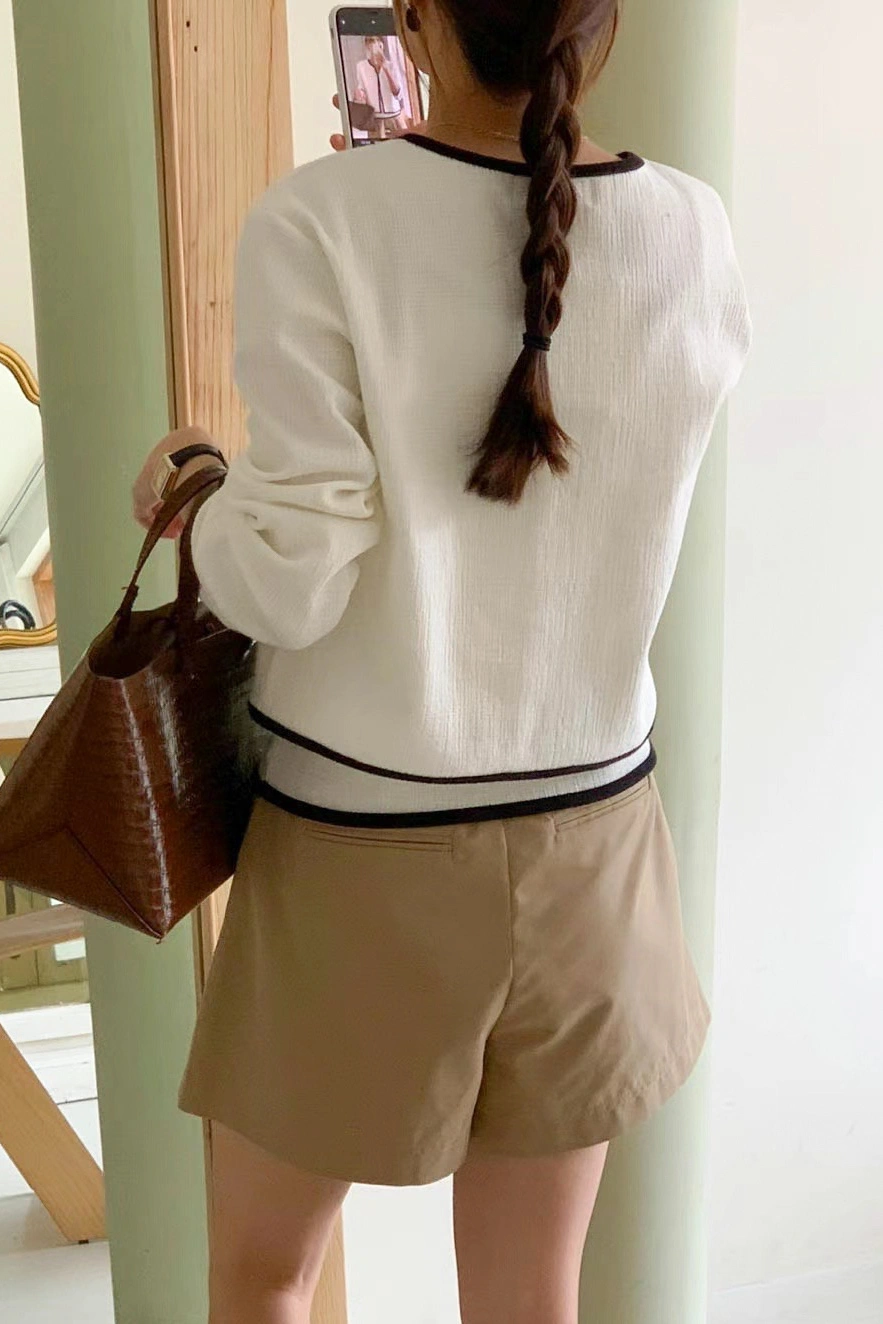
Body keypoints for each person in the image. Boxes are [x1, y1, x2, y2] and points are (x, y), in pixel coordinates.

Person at [132, 1, 751, 1320]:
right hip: (594, 840)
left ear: (414, 22)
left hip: (363, 852)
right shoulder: (693, 226)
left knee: (264, 1275)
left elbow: (287, 583)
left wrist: (195, 493)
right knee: (531, 1292)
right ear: (599, 25)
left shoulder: (321, 221)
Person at [353, 34, 406, 138]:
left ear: (382, 46)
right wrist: (359, 94)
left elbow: (398, 94)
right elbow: (361, 88)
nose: (374, 48)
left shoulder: (391, 65)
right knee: (376, 146)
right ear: (366, 47)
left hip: (394, 116)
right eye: (370, 44)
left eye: (377, 44)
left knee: (404, 144)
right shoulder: (361, 66)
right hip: (374, 117)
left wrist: (386, 68)